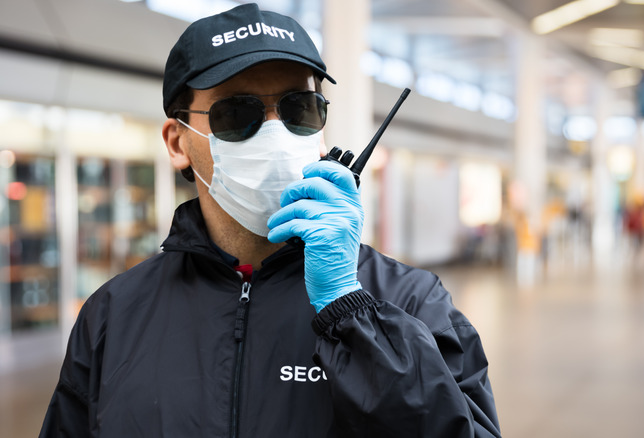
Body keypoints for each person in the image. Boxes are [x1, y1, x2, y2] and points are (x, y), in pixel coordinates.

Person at [39, 4, 501, 437]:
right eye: (237, 113)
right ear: (178, 142)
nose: (277, 134)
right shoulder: (114, 316)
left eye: (300, 108)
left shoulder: (411, 303)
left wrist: (352, 314)